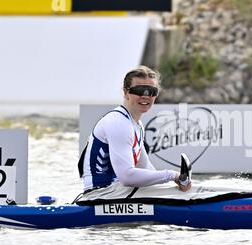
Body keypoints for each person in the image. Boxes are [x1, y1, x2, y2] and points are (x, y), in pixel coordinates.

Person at [78, 66, 192, 200]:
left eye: (152, 91)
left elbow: (145, 167)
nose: (145, 95)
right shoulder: (118, 123)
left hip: (119, 192)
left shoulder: (137, 125)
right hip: (101, 195)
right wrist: (172, 175)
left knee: (183, 191)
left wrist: (177, 181)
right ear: (126, 92)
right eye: (139, 90)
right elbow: (127, 176)